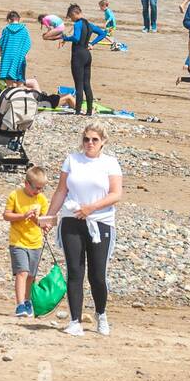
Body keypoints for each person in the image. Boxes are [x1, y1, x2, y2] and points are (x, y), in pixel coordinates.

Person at [40, 125, 123, 337]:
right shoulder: (72, 160)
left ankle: (101, 314)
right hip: (72, 219)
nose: (90, 143)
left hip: (100, 221)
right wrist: (50, 217)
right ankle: (75, 320)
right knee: (75, 271)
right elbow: (61, 191)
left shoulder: (110, 163)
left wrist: (91, 208)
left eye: (95, 140)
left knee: (97, 274)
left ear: (103, 141)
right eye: (86, 139)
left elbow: (116, 194)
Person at [43, 4, 107, 115]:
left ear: (74, 13)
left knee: (79, 85)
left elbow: (76, 38)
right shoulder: (89, 24)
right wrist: (92, 43)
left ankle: (77, 112)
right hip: (87, 55)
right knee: (87, 84)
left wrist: (65, 38)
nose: (72, 20)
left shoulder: (78, 24)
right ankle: (88, 112)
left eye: (71, 17)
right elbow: (103, 33)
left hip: (78, 55)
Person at [2, 165, 49, 317]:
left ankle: (28, 301)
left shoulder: (41, 199)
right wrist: (22, 216)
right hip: (18, 242)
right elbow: (6, 215)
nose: (39, 191)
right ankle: (20, 304)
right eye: (36, 188)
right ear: (26, 183)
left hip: (35, 242)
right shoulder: (15, 195)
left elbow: (45, 222)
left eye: (42, 188)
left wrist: (39, 221)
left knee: (31, 275)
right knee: (22, 272)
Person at [0, 11, 38, 91]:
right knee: (20, 82)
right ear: (18, 19)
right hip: (20, 58)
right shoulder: (24, 30)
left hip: (7, 59)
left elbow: (0, 44)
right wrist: (23, 53)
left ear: (9, 20)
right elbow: (28, 44)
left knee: (9, 86)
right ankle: (19, 99)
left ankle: (9, 100)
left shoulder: (6, 30)